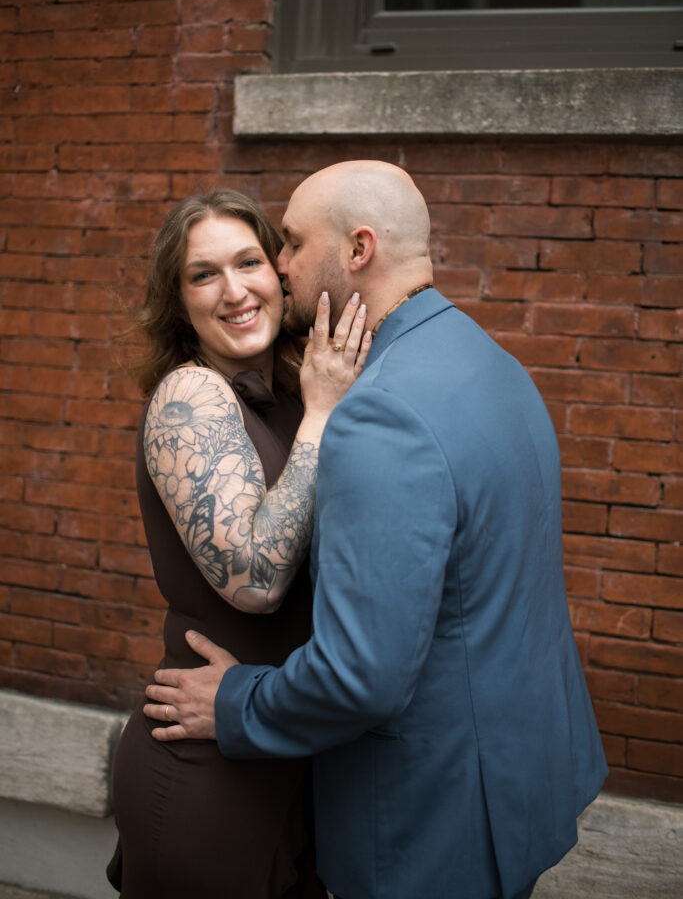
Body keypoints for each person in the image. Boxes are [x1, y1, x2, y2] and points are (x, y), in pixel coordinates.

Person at [144, 162, 608, 899]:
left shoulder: (376, 413)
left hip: (434, 813)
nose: (279, 266)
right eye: (207, 273)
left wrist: (234, 704)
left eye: (288, 244)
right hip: (522, 775)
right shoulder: (487, 360)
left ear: (357, 250)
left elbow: (361, 676)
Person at [107, 188, 370, 898]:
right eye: (203, 274)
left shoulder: (291, 388)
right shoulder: (190, 396)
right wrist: (321, 414)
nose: (233, 291)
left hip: (284, 749)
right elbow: (254, 581)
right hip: (205, 773)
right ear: (178, 298)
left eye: (248, 261)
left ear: (278, 271)